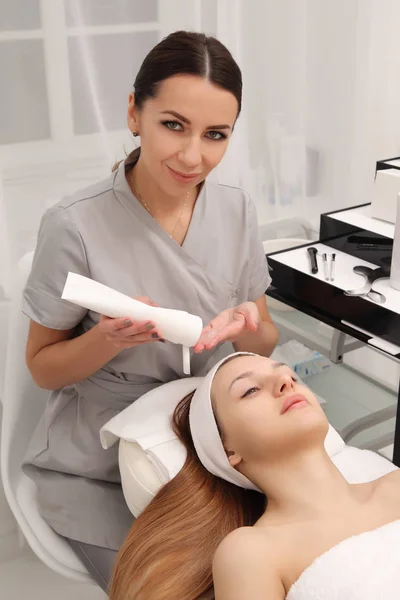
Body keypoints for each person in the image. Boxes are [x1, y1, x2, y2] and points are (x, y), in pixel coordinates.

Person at [22, 31, 278, 591]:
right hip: (105, 461)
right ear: (135, 113)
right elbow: (41, 366)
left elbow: (264, 341)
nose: (193, 156)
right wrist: (106, 340)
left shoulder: (235, 211)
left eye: (216, 135)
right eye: (173, 125)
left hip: (212, 445)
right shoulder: (74, 225)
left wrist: (250, 329)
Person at [110, 352, 400, 600]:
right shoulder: (252, 552)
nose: (286, 382)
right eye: (250, 390)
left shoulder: (394, 484)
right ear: (227, 449)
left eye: (291, 376)